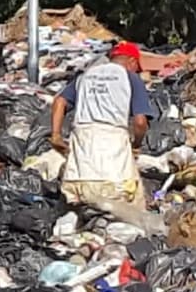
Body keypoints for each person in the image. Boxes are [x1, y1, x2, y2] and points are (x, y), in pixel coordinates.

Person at [50, 41, 155, 210]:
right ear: (132, 62)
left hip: (80, 162)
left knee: (78, 207)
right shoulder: (130, 78)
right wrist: (136, 144)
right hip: (113, 163)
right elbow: (140, 122)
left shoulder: (86, 75)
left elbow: (59, 101)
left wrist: (56, 135)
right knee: (127, 205)